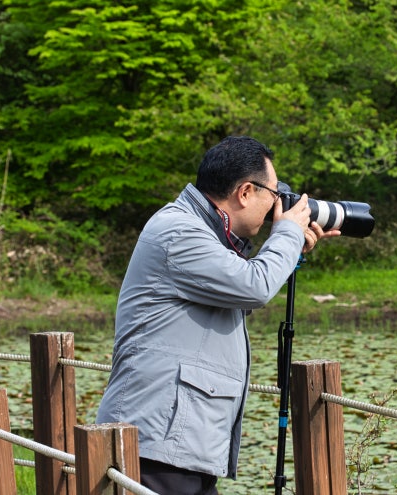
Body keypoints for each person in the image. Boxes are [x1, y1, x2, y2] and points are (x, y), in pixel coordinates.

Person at [96, 136, 339, 495]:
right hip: (157, 442)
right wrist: (287, 233)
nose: (276, 206)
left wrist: (290, 249)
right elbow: (254, 286)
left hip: (175, 441)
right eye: (273, 194)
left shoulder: (199, 231)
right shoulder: (180, 231)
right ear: (245, 192)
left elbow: (237, 296)